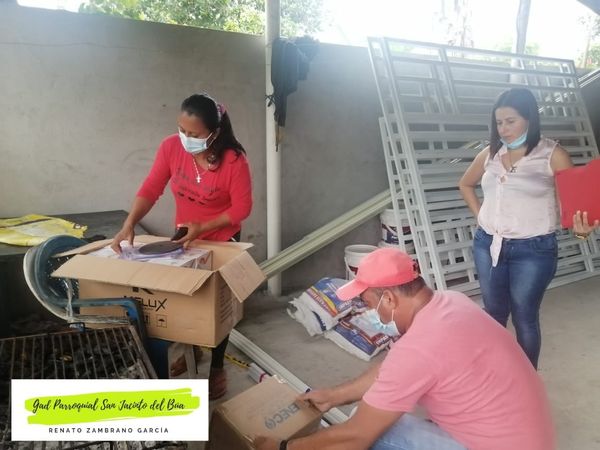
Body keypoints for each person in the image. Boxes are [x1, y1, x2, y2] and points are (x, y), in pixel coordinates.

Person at [253, 247, 555, 450]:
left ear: (389, 299)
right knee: (373, 410)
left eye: (367, 303)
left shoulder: (418, 349)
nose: (367, 312)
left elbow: (356, 437)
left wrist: (283, 447)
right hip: (527, 439)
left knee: (377, 432)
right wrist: (334, 396)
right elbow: (389, 372)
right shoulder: (451, 302)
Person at [111, 93, 252, 399]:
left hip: (222, 237)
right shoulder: (171, 147)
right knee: (184, 299)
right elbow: (152, 187)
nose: (186, 138)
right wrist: (130, 222)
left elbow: (242, 209)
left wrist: (204, 226)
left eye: (194, 134)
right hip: (185, 234)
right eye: (182, 130)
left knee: (217, 306)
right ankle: (192, 351)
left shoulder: (233, 160)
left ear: (214, 132)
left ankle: (217, 368)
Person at [459, 87, 599, 369]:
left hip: (533, 251)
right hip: (488, 245)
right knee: (494, 313)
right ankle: (494, 372)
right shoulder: (490, 153)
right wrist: (481, 215)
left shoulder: (552, 155)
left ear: (530, 119)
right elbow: (465, 184)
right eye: (499, 122)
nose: (503, 129)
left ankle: (526, 381)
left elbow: (573, 207)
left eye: (511, 121)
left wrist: (582, 230)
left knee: (524, 316)